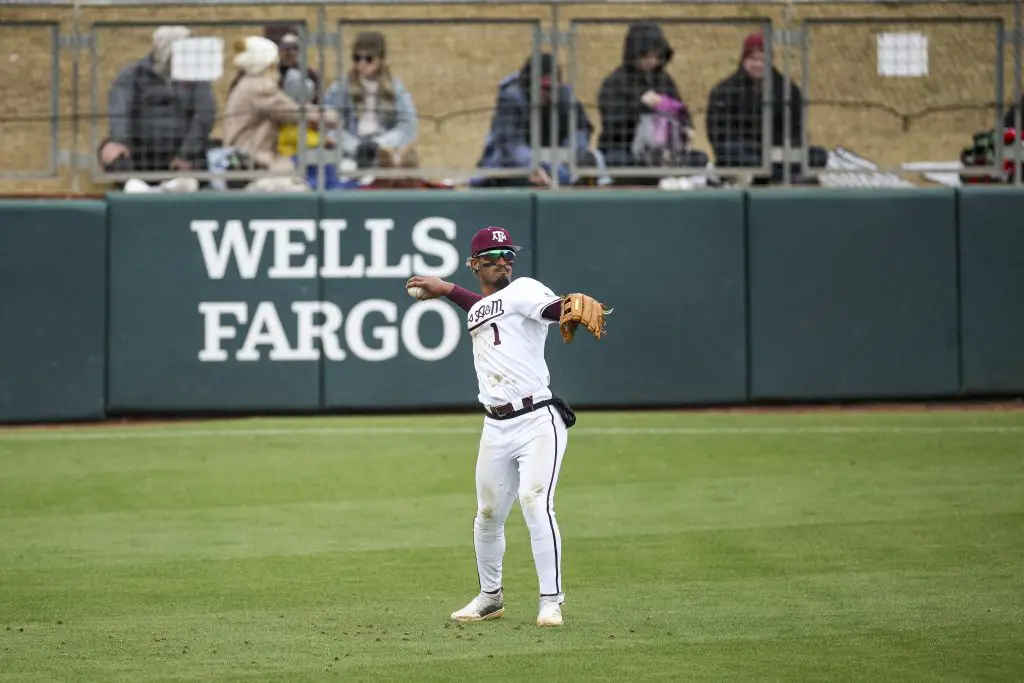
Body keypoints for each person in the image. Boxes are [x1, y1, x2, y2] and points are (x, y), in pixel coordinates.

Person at [405, 226, 610, 628]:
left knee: (535, 502)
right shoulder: (485, 306)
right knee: (486, 514)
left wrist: (563, 309)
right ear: (475, 263)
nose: (503, 260)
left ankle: (551, 601)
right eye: (493, 255)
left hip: (537, 418)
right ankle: (489, 598)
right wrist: (447, 290)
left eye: (508, 254)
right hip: (496, 425)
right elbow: (480, 307)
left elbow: (551, 308)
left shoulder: (524, 289)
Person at [705, 31, 827, 183]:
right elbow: (718, 135)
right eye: (753, 59)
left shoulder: (788, 90)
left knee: (818, 155)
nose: (758, 65)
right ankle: (782, 177)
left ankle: (767, 175)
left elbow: (798, 130)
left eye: (763, 59)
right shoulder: (724, 91)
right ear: (744, 60)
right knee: (730, 152)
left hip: (779, 154)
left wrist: (780, 149)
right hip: (745, 153)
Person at [596, 22, 708, 181]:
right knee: (617, 161)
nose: (651, 61)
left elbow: (680, 110)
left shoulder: (665, 80)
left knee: (700, 158)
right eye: (645, 56)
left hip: (663, 151)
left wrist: (686, 127)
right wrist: (640, 107)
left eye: (656, 56)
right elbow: (611, 124)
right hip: (625, 149)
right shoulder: (614, 82)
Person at [474, 53, 603, 187]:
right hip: (510, 168)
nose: (550, 94)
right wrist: (536, 166)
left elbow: (581, 129)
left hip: (552, 164)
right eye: (545, 88)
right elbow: (512, 147)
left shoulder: (564, 96)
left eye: (553, 88)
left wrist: (568, 157)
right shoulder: (511, 98)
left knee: (590, 161)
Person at [324, 31, 419, 170]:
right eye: (357, 58)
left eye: (368, 59)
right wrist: (354, 146)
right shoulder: (340, 88)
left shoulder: (394, 88)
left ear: (380, 59)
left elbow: (408, 124)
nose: (362, 63)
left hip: (385, 152)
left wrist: (379, 145)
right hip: (348, 153)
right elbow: (328, 125)